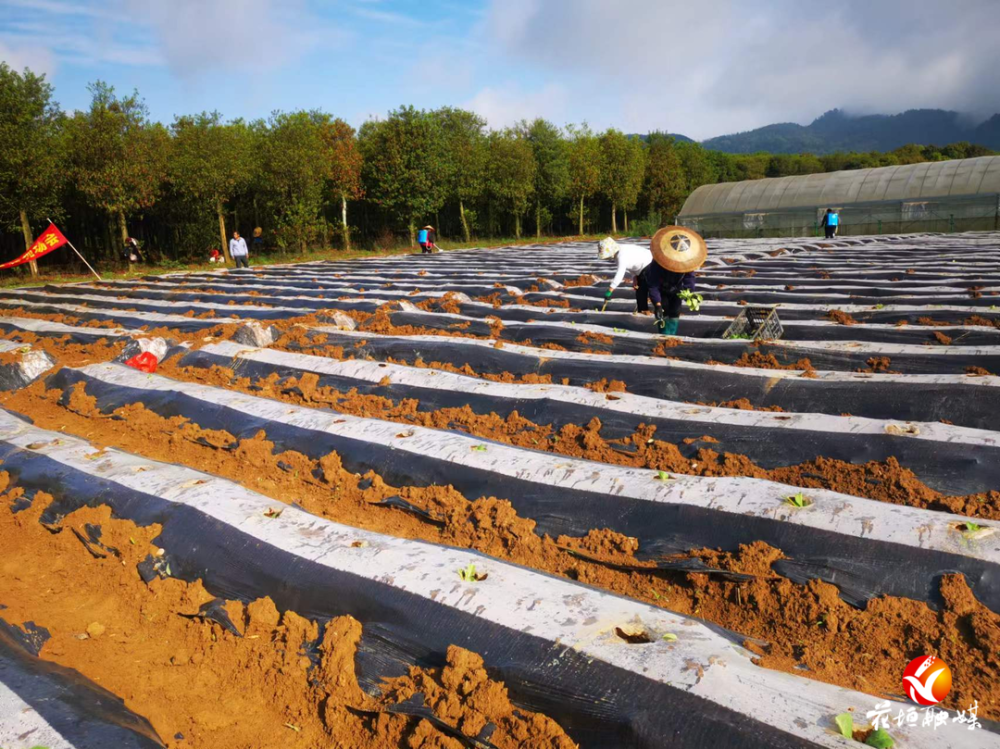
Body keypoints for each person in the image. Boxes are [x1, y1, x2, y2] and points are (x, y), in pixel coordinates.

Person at [641, 227, 707, 336]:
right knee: (664, 310)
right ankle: (663, 335)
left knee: (675, 311)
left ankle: (672, 335)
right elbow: (653, 285)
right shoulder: (658, 263)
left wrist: (689, 293)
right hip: (662, 288)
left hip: (676, 288)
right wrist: (657, 304)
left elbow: (689, 278)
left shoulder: (687, 261)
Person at [598, 237, 653, 312]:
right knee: (640, 291)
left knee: (648, 289)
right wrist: (635, 277)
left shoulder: (621, 256)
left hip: (648, 264)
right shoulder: (619, 252)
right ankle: (643, 310)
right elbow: (631, 263)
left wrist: (610, 290)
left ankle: (656, 309)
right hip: (642, 267)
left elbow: (620, 274)